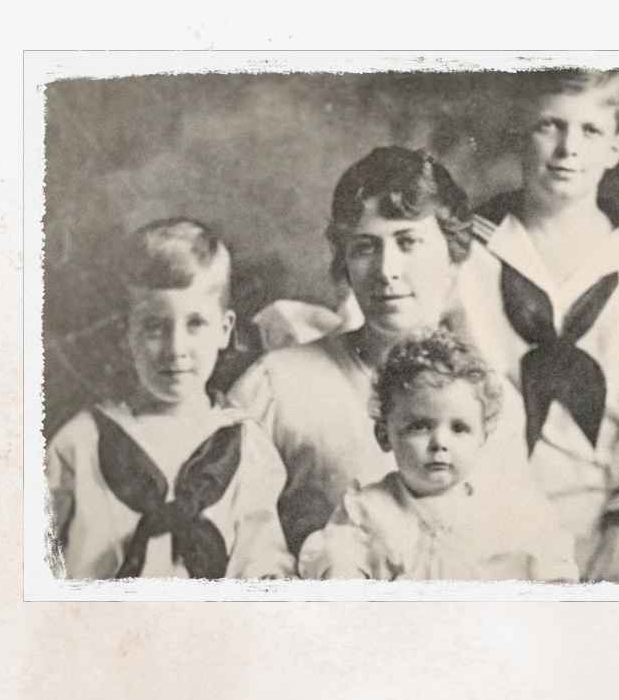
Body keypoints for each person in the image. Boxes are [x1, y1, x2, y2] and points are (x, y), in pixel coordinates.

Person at [457, 70, 619, 582]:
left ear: (616, 149)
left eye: (590, 131)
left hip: (607, 509)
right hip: (485, 506)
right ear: (521, 134)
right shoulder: (464, 253)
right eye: (549, 126)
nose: (567, 149)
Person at [227, 148, 540, 565]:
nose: (386, 269)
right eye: (365, 248)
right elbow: (237, 542)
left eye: (408, 242)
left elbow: (519, 546)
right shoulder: (276, 387)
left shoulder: (493, 401)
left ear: (452, 255)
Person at [45, 220, 291, 580]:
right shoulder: (79, 443)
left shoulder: (245, 447)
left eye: (196, 324)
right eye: (154, 327)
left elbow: (262, 556)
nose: (176, 349)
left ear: (224, 330)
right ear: (126, 333)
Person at [303, 330, 577, 582]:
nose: (439, 443)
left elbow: (548, 549)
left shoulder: (502, 507)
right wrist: (344, 575)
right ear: (385, 435)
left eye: (459, 428)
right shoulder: (368, 511)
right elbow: (337, 555)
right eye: (419, 427)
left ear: (482, 437)